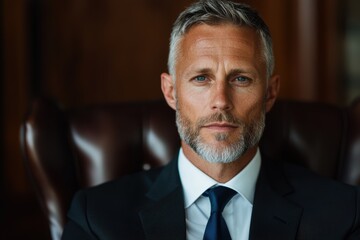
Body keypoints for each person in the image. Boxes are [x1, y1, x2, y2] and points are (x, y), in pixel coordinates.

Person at [61, 0, 360, 239]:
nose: (221, 100)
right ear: (171, 91)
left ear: (269, 93)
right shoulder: (97, 218)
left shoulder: (342, 214)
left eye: (241, 78)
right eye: (201, 78)